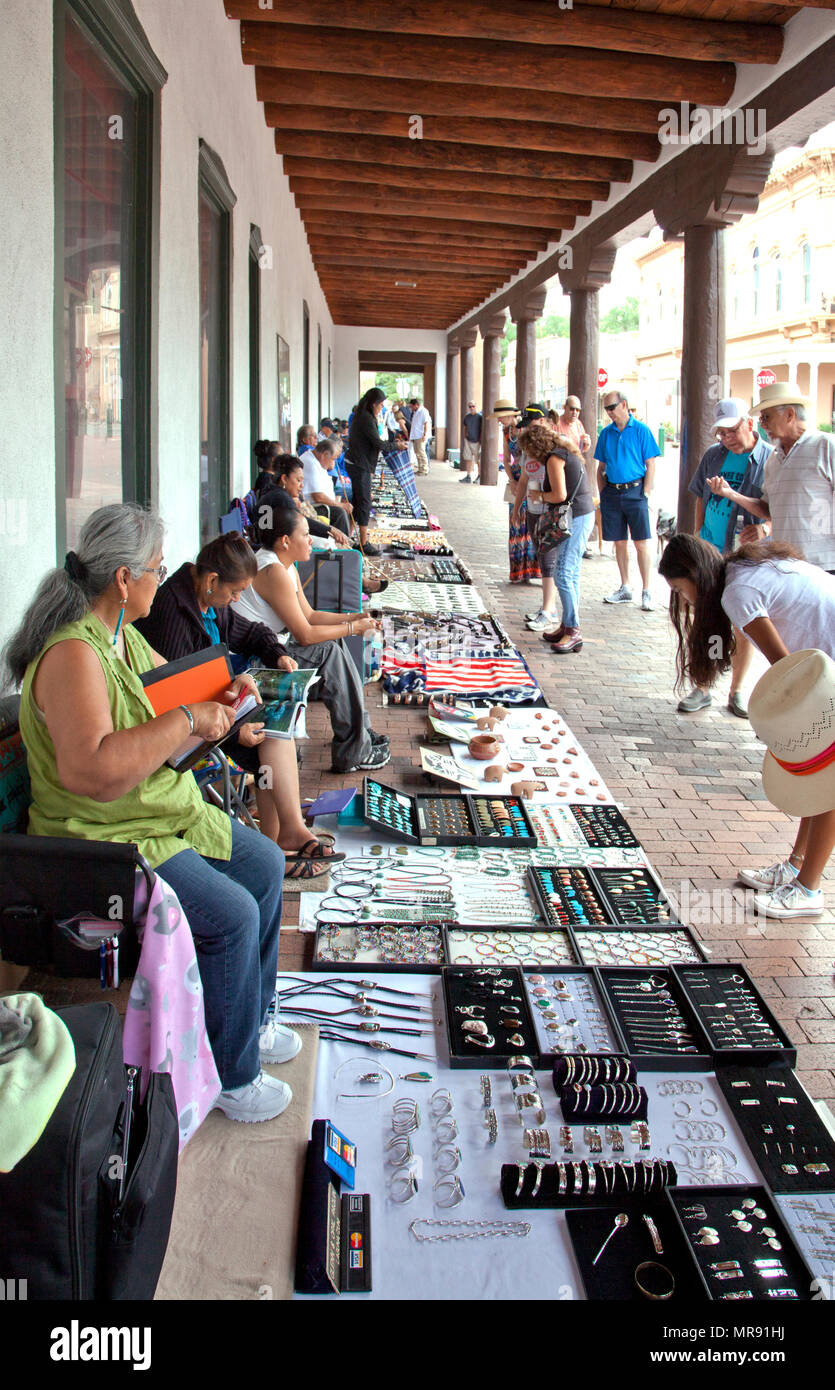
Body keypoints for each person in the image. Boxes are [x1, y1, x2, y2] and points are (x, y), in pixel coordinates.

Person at [2, 503, 299, 1124]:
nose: (162, 583)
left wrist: (226, 703)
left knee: (266, 864)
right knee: (232, 916)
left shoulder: (121, 636)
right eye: (156, 571)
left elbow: (172, 701)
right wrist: (189, 719)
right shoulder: (72, 656)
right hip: (106, 835)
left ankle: (254, 1016)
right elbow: (93, 771)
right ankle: (231, 1074)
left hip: (158, 813)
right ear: (121, 579)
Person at [135, 532, 341, 886]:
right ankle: (281, 840)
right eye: (235, 592)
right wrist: (233, 732)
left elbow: (252, 631)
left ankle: (279, 841)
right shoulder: (173, 612)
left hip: (217, 710)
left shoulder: (209, 602)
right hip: (187, 729)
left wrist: (277, 653)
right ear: (213, 581)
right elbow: (178, 701)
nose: (237, 599)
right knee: (270, 737)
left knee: (276, 730)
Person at [658, 533, 835, 918]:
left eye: (680, 590)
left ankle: (808, 888)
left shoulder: (736, 593)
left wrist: (781, 721)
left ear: (693, 575)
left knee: (829, 780)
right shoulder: (741, 568)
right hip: (826, 660)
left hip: (825, 664)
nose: (684, 600)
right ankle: (796, 867)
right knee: (821, 773)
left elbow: (789, 673)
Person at [232, 501, 390, 774]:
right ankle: (354, 753)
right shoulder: (273, 572)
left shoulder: (285, 566)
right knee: (327, 649)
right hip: (254, 661)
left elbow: (311, 614)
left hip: (274, 647)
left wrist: (352, 618)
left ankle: (360, 733)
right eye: (305, 535)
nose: (311, 541)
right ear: (284, 541)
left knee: (335, 642)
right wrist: (353, 629)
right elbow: (304, 635)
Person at [678, 398, 771, 719]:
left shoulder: (769, 459)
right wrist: (698, 536)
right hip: (711, 552)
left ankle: (737, 690)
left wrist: (765, 529)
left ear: (749, 423)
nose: (726, 438)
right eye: (721, 433)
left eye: (731, 430)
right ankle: (704, 685)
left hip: (746, 556)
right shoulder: (713, 456)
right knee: (707, 620)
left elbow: (776, 509)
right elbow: (701, 499)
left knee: (742, 623)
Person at [706, 382, 835, 575]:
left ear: (790, 415)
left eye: (767, 417)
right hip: (786, 567)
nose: (762, 424)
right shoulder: (774, 459)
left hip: (825, 566)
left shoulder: (826, 446)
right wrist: (730, 494)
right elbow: (768, 509)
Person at [516, 422, 595, 652]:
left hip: (576, 517)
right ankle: (568, 624)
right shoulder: (562, 451)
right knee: (571, 572)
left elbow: (559, 494)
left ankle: (573, 631)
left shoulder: (553, 459)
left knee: (563, 573)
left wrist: (538, 496)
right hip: (581, 514)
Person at [595, 388, 660, 611]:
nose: (609, 413)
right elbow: (600, 467)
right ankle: (625, 586)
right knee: (619, 542)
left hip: (635, 491)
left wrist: (646, 492)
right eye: (606, 409)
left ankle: (647, 590)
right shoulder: (606, 434)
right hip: (612, 492)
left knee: (641, 543)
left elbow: (651, 463)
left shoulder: (641, 430)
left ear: (624, 405)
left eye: (612, 408)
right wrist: (603, 493)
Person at [346, 386, 405, 556]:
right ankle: (363, 543)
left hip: (359, 463)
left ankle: (349, 536)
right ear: (373, 404)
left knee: (358, 501)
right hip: (359, 464)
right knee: (364, 502)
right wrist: (397, 446)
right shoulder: (365, 418)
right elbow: (377, 443)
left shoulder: (364, 416)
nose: (381, 409)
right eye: (380, 405)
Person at [494, 398, 539, 584]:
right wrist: (512, 480)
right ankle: (518, 570)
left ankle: (531, 570)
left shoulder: (525, 429)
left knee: (531, 522)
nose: (499, 420)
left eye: (500, 417)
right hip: (516, 477)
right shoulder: (507, 432)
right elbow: (506, 460)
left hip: (531, 477)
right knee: (516, 522)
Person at [302, 439, 353, 536]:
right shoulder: (310, 463)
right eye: (332, 459)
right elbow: (318, 497)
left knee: (342, 509)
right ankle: (344, 546)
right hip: (315, 507)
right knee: (340, 512)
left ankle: (346, 540)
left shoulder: (316, 460)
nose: (332, 463)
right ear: (325, 454)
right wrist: (340, 505)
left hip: (321, 504)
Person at [408, 397, 432, 476]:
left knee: (421, 452)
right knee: (417, 453)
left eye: (411, 406)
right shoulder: (415, 412)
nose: (410, 408)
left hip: (420, 435)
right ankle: (420, 469)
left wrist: (425, 434)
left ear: (416, 405)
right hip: (415, 435)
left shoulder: (423, 411)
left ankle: (424, 469)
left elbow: (426, 423)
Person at [460, 400, 483, 483]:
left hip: (477, 441)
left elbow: (482, 429)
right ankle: (468, 476)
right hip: (468, 440)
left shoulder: (480, 417)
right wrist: (465, 437)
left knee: (478, 460)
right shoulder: (467, 417)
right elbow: (464, 427)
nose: (471, 408)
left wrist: (480, 440)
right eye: (470, 406)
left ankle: (479, 475)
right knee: (468, 458)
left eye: (473, 406)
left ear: (476, 407)